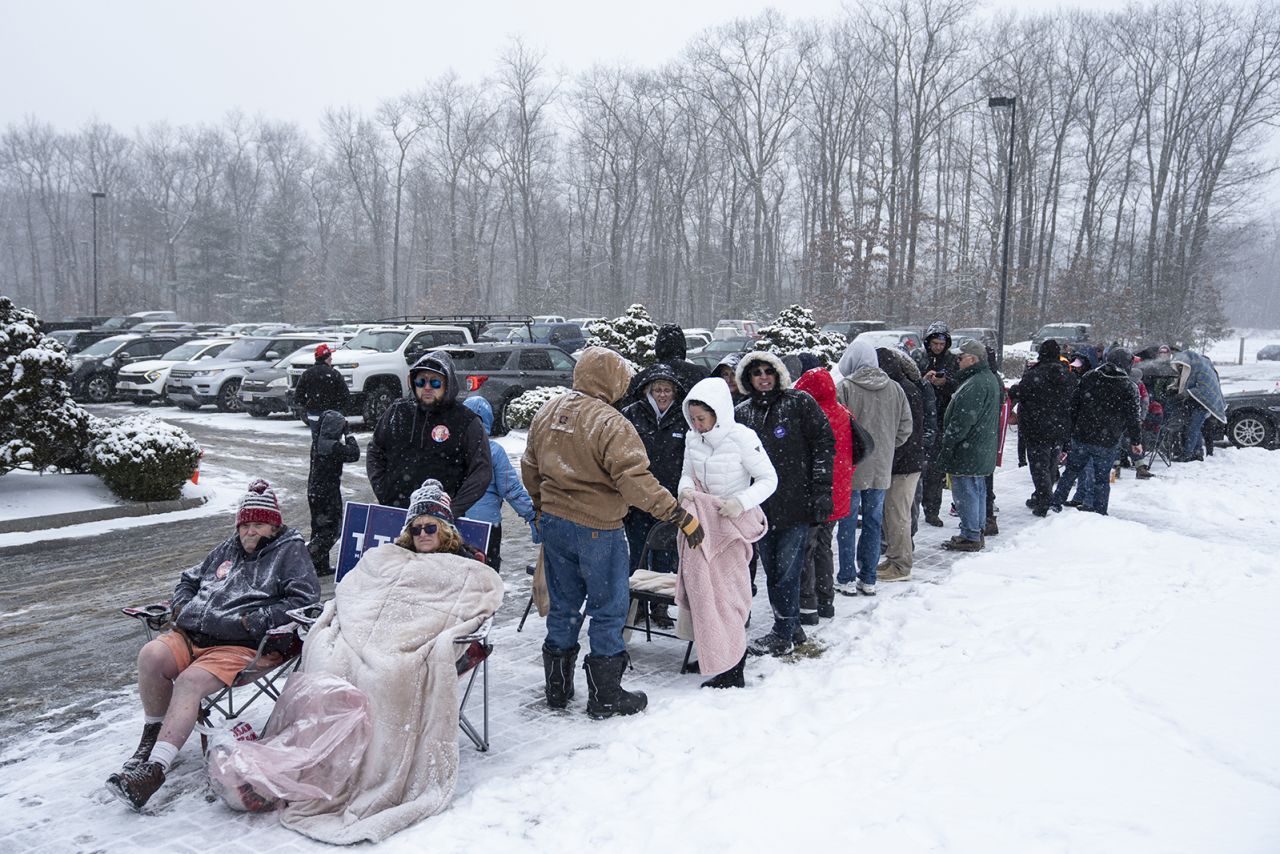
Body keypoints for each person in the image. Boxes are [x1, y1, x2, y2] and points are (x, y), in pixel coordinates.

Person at [274, 479, 501, 843]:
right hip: (362, 635)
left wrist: (436, 638)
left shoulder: (466, 567)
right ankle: (319, 767)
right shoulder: (385, 557)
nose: (423, 533)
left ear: (445, 531)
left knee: (388, 675)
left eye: (431, 527)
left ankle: (372, 774)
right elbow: (353, 591)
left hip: (410, 641)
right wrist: (347, 624)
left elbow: (479, 602)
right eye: (417, 527)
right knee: (329, 665)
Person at [106, 480, 320, 810]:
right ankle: (151, 736)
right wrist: (181, 606)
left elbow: (304, 600)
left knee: (190, 682)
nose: (250, 532)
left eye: (258, 524)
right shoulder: (227, 548)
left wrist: (254, 621)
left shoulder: (290, 551)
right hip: (192, 633)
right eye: (245, 524)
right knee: (150, 656)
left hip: (242, 644)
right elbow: (189, 579)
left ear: (273, 525)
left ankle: (154, 770)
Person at [522, 347, 704, 719]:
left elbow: (529, 465)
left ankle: (557, 688)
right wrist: (675, 513)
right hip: (597, 527)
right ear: (612, 379)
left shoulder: (548, 411)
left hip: (555, 523)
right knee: (608, 607)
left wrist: (542, 507)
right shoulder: (611, 423)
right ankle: (606, 695)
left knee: (564, 604)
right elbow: (634, 480)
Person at [677, 377, 777, 688]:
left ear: (718, 413)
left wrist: (739, 502)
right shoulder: (693, 438)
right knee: (705, 595)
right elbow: (686, 473)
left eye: (702, 419)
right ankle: (714, 653)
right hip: (703, 527)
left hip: (734, 527)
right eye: (692, 418)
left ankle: (734, 665)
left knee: (730, 598)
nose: (697, 424)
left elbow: (769, 479)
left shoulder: (743, 438)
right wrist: (684, 489)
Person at [733, 351, 835, 657]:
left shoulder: (799, 403)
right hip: (760, 507)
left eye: (768, 371)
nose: (763, 377)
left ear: (778, 374)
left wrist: (821, 490)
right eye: (756, 373)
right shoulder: (742, 413)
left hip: (796, 502)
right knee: (774, 570)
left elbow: (823, 444)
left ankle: (783, 632)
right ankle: (792, 626)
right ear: (747, 379)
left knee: (788, 570)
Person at [366, 350, 492, 515]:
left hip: (439, 522)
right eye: (421, 381)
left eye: (435, 382)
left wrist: (453, 509)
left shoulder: (465, 421)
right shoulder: (397, 412)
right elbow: (375, 451)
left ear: (447, 383)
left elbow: (481, 471)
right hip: (395, 513)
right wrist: (383, 490)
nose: (427, 387)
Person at [834, 338, 912, 595]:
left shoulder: (845, 388)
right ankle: (868, 577)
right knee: (873, 523)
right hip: (881, 469)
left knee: (846, 524)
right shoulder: (895, 389)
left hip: (852, 467)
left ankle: (846, 576)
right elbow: (905, 428)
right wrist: (887, 447)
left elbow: (836, 428)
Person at [621, 365, 687, 629]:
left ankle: (659, 607)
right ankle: (635, 605)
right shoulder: (632, 414)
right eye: (658, 389)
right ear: (649, 390)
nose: (662, 395)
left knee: (664, 554)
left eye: (667, 390)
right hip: (637, 500)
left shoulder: (682, 418)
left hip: (668, 500)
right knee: (637, 553)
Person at [1049, 348, 1143, 515]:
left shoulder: (1089, 377)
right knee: (1101, 479)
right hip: (1108, 440)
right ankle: (1099, 513)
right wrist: (1136, 442)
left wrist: (1071, 430)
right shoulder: (1129, 387)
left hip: (1082, 436)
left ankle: (1055, 504)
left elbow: (1074, 406)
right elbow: (1133, 418)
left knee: (1071, 471)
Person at [794, 366, 853, 620]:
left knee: (806, 548)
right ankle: (826, 600)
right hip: (837, 493)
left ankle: (808, 603)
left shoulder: (810, 416)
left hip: (814, 492)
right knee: (824, 547)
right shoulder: (843, 414)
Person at [936, 340, 1002, 551]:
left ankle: (971, 534)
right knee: (977, 489)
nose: (957, 361)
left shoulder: (975, 383)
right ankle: (976, 529)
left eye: (960, 357)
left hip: (969, 449)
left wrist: (948, 443)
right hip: (979, 447)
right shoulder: (986, 378)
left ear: (973, 359)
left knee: (966, 492)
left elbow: (962, 420)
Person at [461, 396, 536, 571]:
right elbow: (511, 490)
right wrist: (532, 515)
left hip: (454, 521)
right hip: (486, 526)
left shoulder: (450, 448)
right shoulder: (493, 451)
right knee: (488, 575)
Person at [874, 346, 926, 583]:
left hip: (904, 464)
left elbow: (906, 432)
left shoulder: (904, 390)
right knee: (892, 514)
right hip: (899, 461)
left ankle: (902, 564)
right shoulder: (902, 387)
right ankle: (894, 557)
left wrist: (889, 454)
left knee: (898, 515)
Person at [1008, 340, 1076, 516]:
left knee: (1039, 467)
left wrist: (1013, 391)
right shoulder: (1067, 376)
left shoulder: (1034, 374)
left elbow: (1020, 392)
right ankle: (1042, 495)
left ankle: (1044, 498)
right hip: (1060, 426)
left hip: (1036, 427)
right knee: (1052, 464)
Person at [306, 409, 360, 575]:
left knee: (319, 528)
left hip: (315, 490)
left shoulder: (318, 442)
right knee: (332, 531)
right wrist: (349, 435)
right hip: (327, 492)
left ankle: (320, 565)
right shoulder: (332, 447)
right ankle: (306, 561)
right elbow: (354, 454)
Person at [917, 321, 960, 527]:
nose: (937, 348)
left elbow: (958, 385)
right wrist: (924, 380)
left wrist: (946, 382)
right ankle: (916, 506)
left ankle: (932, 509)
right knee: (918, 469)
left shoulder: (952, 361)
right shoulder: (919, 358)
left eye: (941, 344)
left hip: (942, 418)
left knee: (935, 470)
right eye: (934, 343)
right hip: (922, 419)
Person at [621, 323, 707, 407]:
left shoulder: (643, 378)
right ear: (683, 346)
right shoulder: (701, 374)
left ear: (658, 347)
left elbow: (628, 407)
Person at [294, 343, 350, 434]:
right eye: (330, 356)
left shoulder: (307, 374)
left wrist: (307, 405)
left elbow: (298, 395)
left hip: (313, 413)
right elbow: (345, 394)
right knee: (331, 438)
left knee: (316, 439)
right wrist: (338, 407)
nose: (331, 358)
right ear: (326, 358)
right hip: (332, 413)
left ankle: (316, 448)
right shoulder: (334, 373)